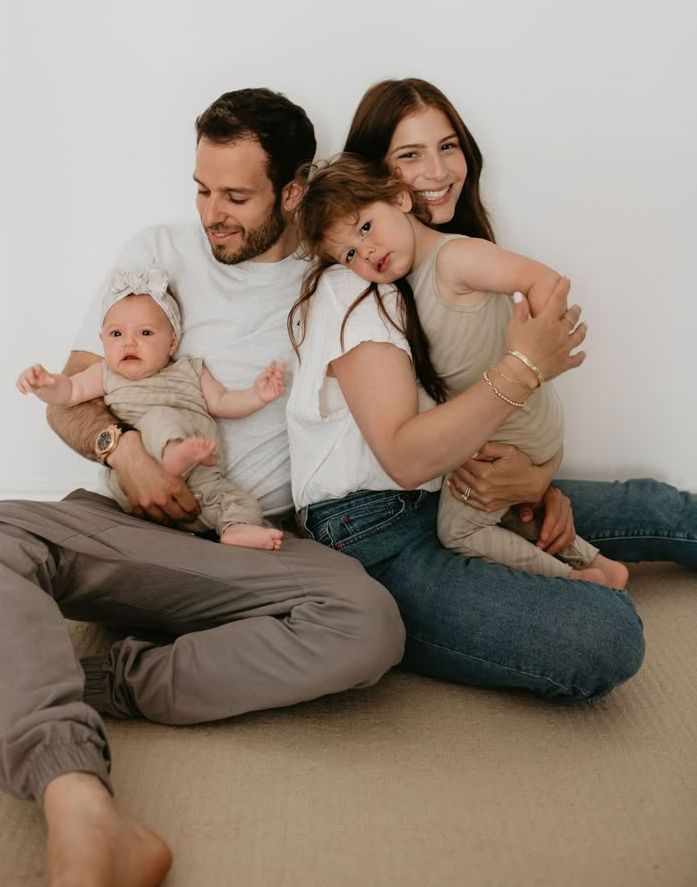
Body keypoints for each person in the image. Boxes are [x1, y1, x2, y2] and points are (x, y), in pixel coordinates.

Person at [0, 88, 405, 887]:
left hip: (251, 544)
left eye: (236, 197)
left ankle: (60, 682)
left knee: (369, 622)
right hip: (131, 530)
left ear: (293, 188)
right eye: (202, 190)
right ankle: (79, 801)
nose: (212, 215)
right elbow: (71, 395)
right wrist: (118, 447)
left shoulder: (336, 269)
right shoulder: (156, 253)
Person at [287, 76, 695, 703]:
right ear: (382, 174)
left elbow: (501, 407)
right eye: (410, 154)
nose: (437, 172)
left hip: (452, 486)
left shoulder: (444, 263)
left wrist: (537, 480)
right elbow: (405, 454)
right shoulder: (354, 285)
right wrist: (526, 370)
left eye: (447, 146)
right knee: (606, 636)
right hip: (377, 527)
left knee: (655, 507)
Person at [289, 155, 628, 586]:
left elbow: (544, 280)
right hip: (501, 419)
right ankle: (597, 563)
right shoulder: (401, 286)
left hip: (515, 418)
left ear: (399, 198)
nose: (367, 251)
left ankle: (572, 580)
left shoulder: (453, 258)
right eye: (350, 253)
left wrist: (541, 353)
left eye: (366, 227)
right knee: (493, 508)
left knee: (458, 529)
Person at [16, 265, 288, 550]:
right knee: (162, 417)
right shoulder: (105, 374)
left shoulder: (191, 370)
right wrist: (45, 384)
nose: (129, 342)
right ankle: (172, 453)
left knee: (239, 500)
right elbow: (70, 391)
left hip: (200, 478)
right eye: (116, 334)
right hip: (137, 477)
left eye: (145, 333)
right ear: (101, 341)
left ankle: (236, 529)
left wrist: (257, 395)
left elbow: (223, 403)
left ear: (172, 343)